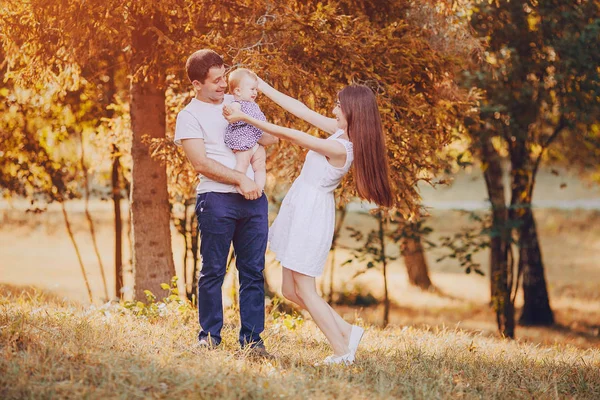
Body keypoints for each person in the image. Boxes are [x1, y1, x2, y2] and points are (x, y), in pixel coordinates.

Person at [223, 79, 393, 365]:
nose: (334, 109)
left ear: (353, 111)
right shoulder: (339, 132)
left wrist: (246, 117)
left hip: (312, 214)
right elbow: (300, 110)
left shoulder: (343, 148)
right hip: (301, 207)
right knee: (291, 290)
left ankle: (342, 351)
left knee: (304, 288)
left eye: (339, 105)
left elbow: (295, 135)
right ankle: (348, 332)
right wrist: (261, 85)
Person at [174, 49, 278, 357]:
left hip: (253, 201)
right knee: (213, 270)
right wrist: (240, 178)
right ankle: (209, 336)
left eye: (224, 78)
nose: (224, 85)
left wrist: (257, 144)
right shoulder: (189, 116)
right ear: (196, 84)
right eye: (216, 81)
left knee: (252, 271)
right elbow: (201, 163)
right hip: (217, 199)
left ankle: (252, 341)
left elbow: (268, 137)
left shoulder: (239, 104)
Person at [224, 68, 267, 192]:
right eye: (252, 89)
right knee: (242, 164)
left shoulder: (254, 104)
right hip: (243, 142)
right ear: (238, 91)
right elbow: (233, 110)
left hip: (256, 142)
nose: (255, 92)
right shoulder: (237, 103)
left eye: (255, 89)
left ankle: (259, 188)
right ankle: (239, 186)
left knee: (260, 166)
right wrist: (230, 111)